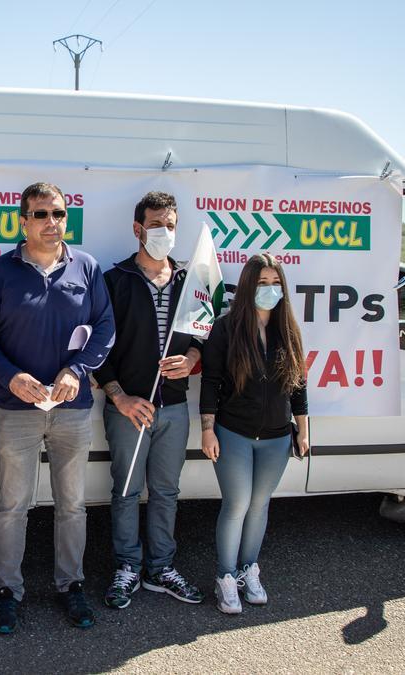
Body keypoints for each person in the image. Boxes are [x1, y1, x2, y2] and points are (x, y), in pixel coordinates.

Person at [0, 181, 115, 633]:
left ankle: (71, 585)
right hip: (16, 409)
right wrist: (12, 376)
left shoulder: (86, 268)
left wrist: (78, 370)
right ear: (22, 221)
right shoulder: (0, 273)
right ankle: (7, 591)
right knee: (13, 505)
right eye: (41, 215)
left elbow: (104, 327)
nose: (52, 223)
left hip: (72, 408)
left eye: (59, 214)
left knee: (72, 504)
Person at [93, 191, 204, 611]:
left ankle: (161, 569)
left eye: (171, 225)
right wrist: (119, 397)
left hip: (174, 408)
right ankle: (127, 567)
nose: (165, 233)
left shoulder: (191, 280)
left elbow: (205, 338)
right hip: (128, 409)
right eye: (157, 225)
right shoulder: (115, 280)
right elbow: (95, 348)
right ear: (138, 229)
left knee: (166, 491)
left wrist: (191, 357)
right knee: (124, 490)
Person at [199, 253, 309, 615]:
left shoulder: (288, 329)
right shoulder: (227, 328)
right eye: (262, 283)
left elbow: (298, 387)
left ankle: (249, 570)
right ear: (248, 287)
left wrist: (303, 432)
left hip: (277, 438)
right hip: (234, 434)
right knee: (237, 505)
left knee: (260, 506)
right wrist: (208, 430)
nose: (270, 289)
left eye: (275, 283)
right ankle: (226, 577)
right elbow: (211, 382)